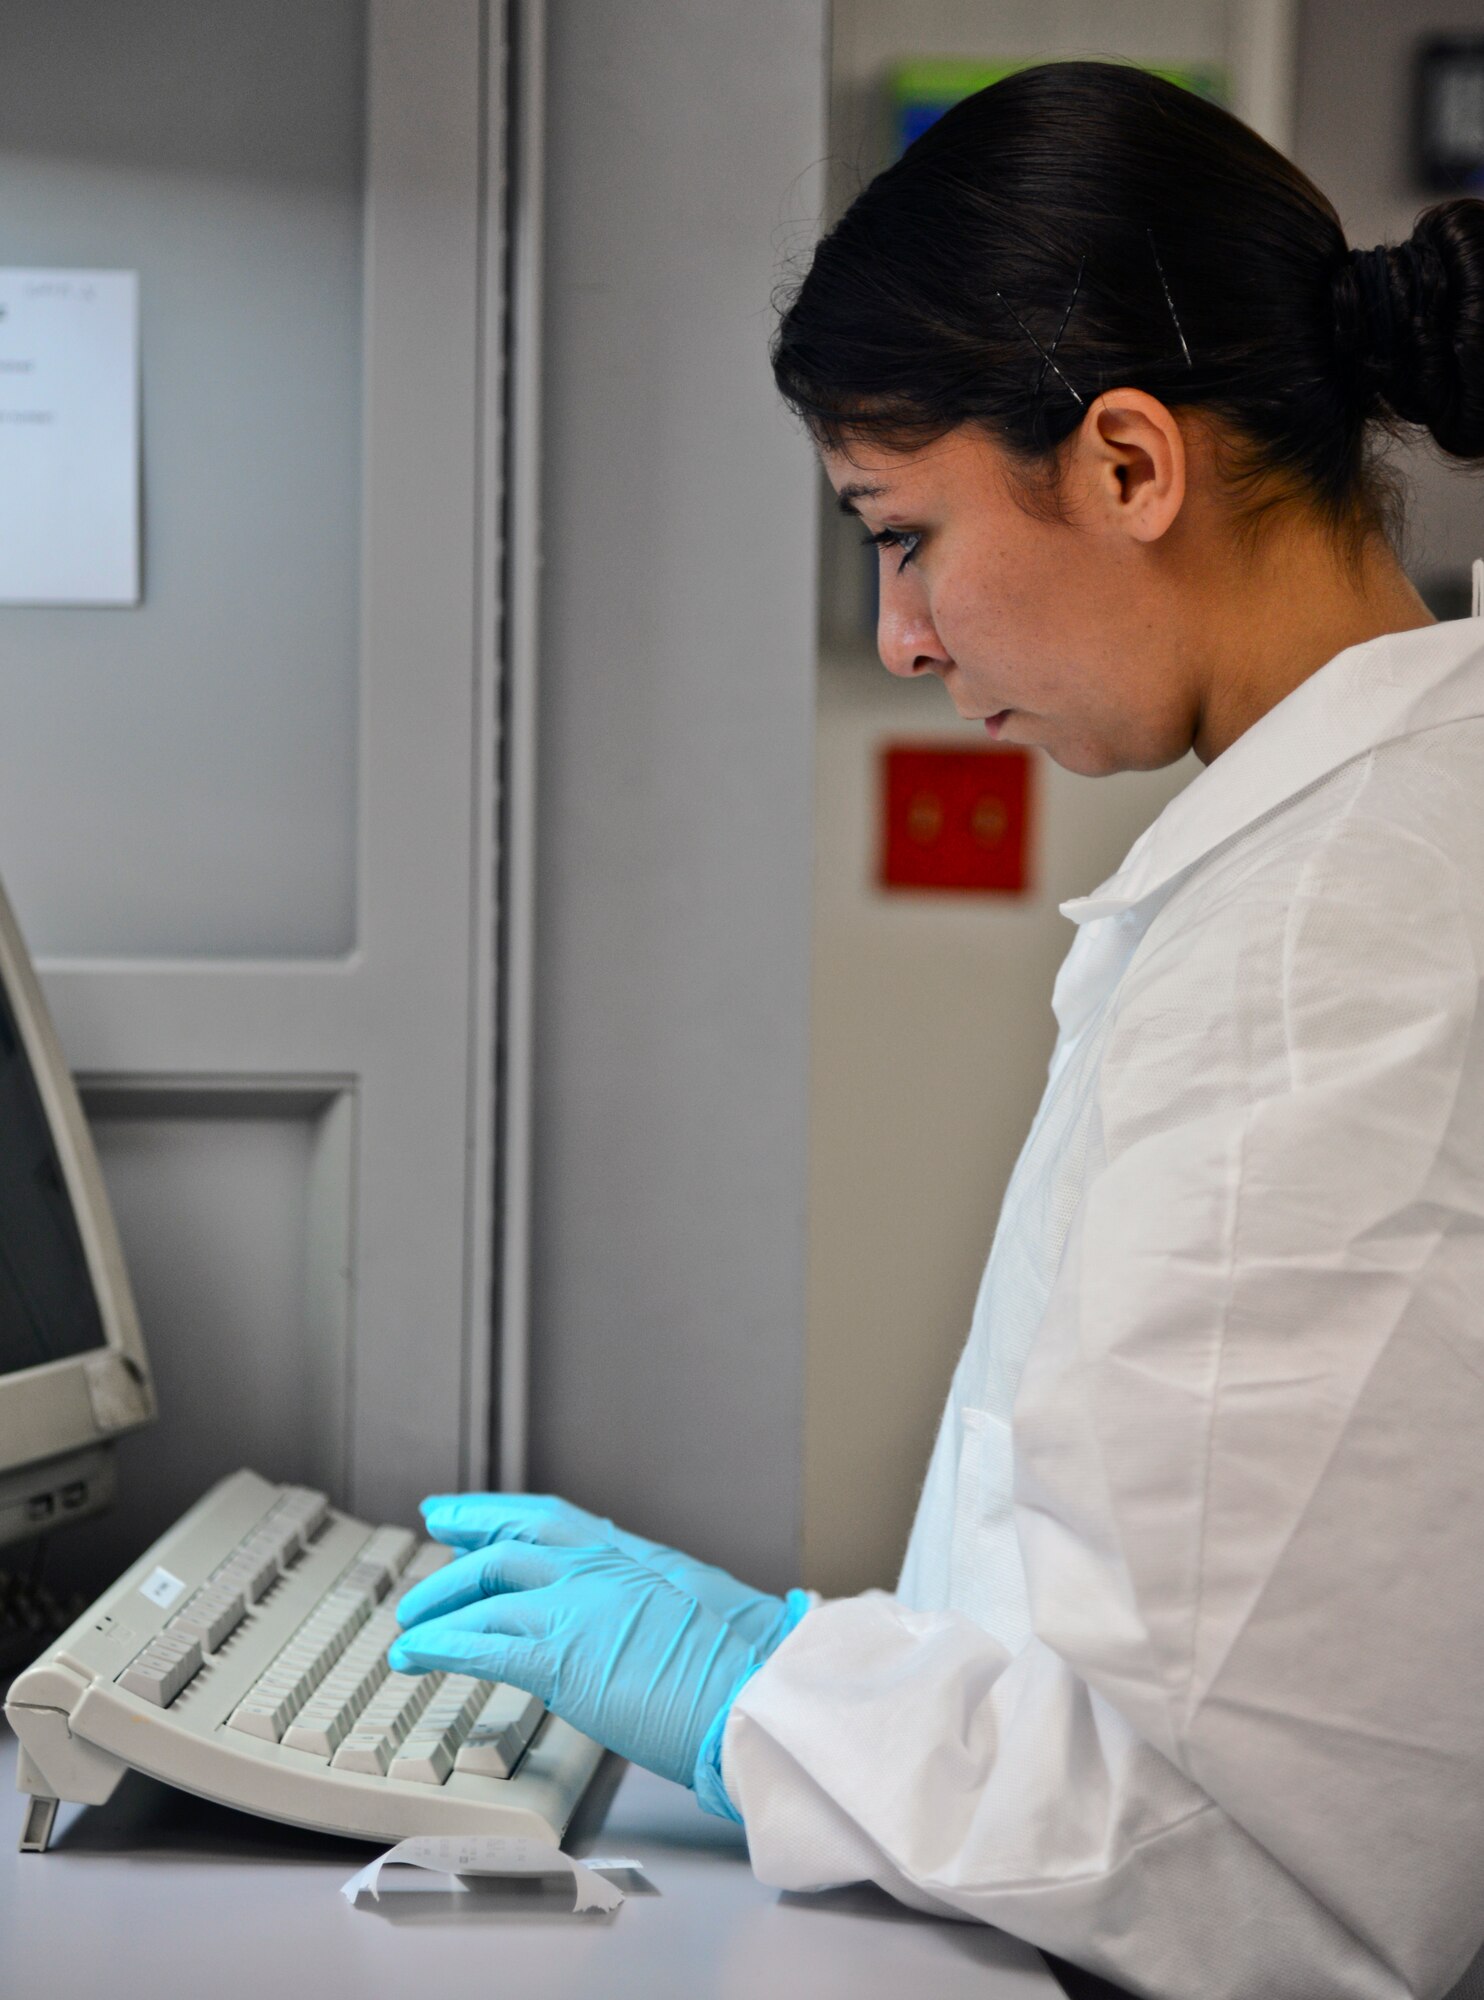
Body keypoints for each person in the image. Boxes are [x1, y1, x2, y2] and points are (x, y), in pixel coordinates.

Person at [389, 59, 1484, 2000]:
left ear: (1129, 466)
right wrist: (826, 1683)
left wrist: (759, 1691)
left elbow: (1284, 1868)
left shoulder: (1343, 941)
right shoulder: (1328, 852)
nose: (900, 635)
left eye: (900, 532)